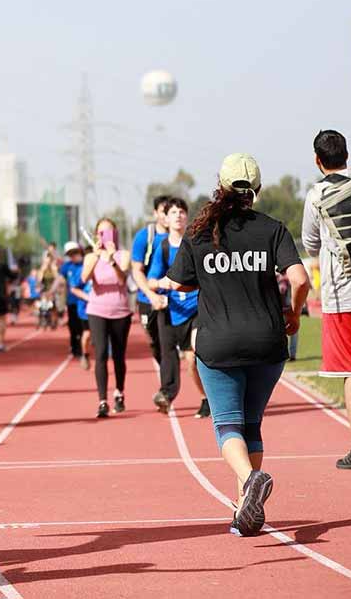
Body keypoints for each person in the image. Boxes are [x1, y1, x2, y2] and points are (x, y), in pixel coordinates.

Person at [161, 153, 309, 536]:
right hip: (267, 342)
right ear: (256, 191)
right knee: (252, 424)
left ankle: (250, 482)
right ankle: (245, 509)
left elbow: (179, 283)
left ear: (221, 186)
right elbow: (300, 278)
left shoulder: (200, 232)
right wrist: (293, 313)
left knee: (227, 427)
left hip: (218, 344)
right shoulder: (272, 228)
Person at [302, 130, 351, 471]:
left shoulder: (316, 195)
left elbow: (311, 244)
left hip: (344, 294)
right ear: (347, 154)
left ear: (318, 161)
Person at [148, 198, 209, 418]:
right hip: (172, 310)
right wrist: (162, 284)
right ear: (166, 217)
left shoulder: (197, 241)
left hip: (196, 307)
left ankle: (206, 398)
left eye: (182, 211)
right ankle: (167, 393)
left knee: (194, 356)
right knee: (166, 353)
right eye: (173, 212)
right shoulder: (162, 247)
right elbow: (151, 280)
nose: (178, 215)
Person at [82, 217, 132, 418]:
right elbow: (83, 278)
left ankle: (119, 392)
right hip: (97, 310)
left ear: (115, 234)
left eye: (109, 232)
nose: (105, 236)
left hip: (120, 311)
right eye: (101, 233)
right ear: (96, 236)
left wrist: (112, 259)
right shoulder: (90, 257)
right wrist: (96, 256)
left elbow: (122, 279)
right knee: (101, 353)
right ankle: (102, 400)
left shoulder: (123, 255)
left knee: (118, 355)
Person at [131, 195, 172, 396]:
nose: (167, 216)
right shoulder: (144, 237)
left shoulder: (183, 237)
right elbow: (136, 270)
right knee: (155, 344)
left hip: (177, 299)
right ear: (156, 213)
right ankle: (167, 376)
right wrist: (151, 294)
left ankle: (167, 390)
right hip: (148, 299)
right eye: (164, 211)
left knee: (168, 346)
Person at [59, 241, 87, 364]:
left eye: (75, 253)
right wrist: (50, 291)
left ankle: (83, 348)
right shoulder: (67, 266)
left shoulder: (87, 263)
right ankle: (75, 348)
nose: (73, 256)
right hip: (72, 301)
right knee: (73, 326)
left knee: (84, 327)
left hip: (86, 302)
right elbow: (59, 280)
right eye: (70, 254)